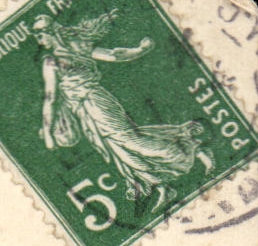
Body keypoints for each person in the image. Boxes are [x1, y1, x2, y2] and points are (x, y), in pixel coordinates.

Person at [33, 11, 213, 212]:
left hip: (96, 102)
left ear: (52, 32)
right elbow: (113, 55)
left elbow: (51, 97)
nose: (40, 41)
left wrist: (48, 134)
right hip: (86, 110)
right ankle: (161, 186)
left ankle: (192, 149)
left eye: (41, 35)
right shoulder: (77, 46)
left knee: (129, 141)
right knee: (117, 149)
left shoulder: (52, 61)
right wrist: (140, 49)